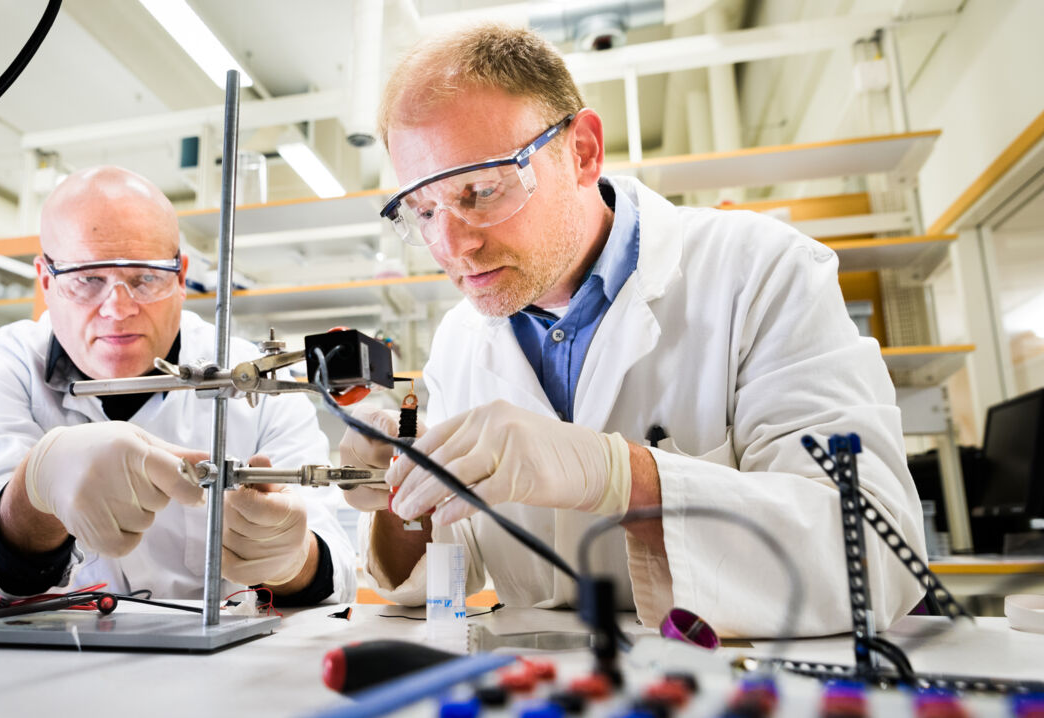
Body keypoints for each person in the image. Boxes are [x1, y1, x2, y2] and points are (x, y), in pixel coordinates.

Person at [340, 25, 925, 637]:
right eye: (425, 211)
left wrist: (621, 478)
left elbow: (876, 553)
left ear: (583, 152)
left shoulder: (762, 269)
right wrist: (401, 497)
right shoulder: (462, 337)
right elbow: (453, 566)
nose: (452, 245)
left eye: (482, 191)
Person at [0, 166, 354, 605]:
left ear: (180, 279)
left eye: (146, 278)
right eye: (87, 279)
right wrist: (33, 493)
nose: (117, 309)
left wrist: (294, 561)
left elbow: (339, 568)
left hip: (221, 666)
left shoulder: (252, 380)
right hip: (56, 660)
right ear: (46, 281)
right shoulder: (8, 370)